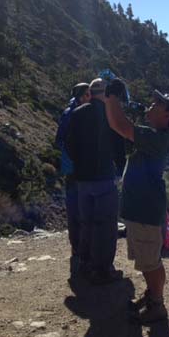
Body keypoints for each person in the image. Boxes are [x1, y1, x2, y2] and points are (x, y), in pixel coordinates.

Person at [100, 83, 169, 324]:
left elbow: (119, 125)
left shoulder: (157, 138)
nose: (151, 104)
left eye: (157, 103)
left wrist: (112, 96)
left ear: (167, 115)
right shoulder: (154, 136)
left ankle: (157, 305)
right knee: (147, 260)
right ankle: (151, 296)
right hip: (142, 210)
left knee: (151, 262)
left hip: (145, 211)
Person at [65, 78, 125, 285]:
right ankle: (103, 269)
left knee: (86, 222)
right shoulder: (111, 115)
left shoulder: (77, 113)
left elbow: (70, 145)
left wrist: (80, 165)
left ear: (90, 93)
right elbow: (119, 145)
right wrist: (120, 167)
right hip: (105, 177)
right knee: (106, 225)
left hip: (83, 178)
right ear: (105, 94)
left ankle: (85, 262)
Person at [54, 83, 90, 279]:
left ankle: (80, 247)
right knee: (76, 207)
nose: (89, 97)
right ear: (79, 95)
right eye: (86, 94)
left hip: (76, 166)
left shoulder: (75, 111)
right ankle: (77, 247)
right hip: (74, 167)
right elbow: (60, 139)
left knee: (79, 206)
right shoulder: (70, 113)